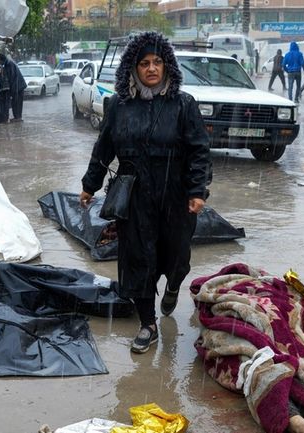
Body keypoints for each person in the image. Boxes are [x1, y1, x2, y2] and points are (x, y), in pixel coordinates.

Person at [78, 31, 212, 354]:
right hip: (134, 195)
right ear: (133, 69)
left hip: (175, 195)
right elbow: (104, 147)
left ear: (167, 66)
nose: (152, 69)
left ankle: (174, 285)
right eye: (144, 63)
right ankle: (147, 324)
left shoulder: (183, 105)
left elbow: (199, 151)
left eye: (157, 62)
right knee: (139, 259)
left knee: (177, 255)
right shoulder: (119, 106)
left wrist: (197, 190)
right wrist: (89, 184)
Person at [190, 264, 304, 433]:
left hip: (245, 322)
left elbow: (206, 298)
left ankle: (301, 423)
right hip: (247, 318)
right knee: (272, 362)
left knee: (254, 364)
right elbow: (290, 301)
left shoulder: (240, 285)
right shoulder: (262, 283)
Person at [0, 53, 27, 122]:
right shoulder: (9, 63)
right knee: (17, 102)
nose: (0, 63)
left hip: (18, 87)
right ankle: (18, 117)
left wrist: (14, 91)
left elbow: (13, 78)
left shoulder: (9, 64)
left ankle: (17, 117)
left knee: (16, 102)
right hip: (19, 86)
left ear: (1, 60)